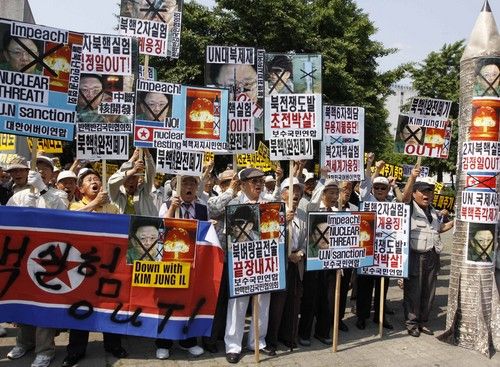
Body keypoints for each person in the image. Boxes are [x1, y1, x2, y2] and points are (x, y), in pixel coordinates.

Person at [5, 157, 66, 367]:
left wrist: (42, 191)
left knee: (43, 303)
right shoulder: (19, 196)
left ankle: (45, 350)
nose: (38, 172)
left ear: (50, 174)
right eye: (36, 169)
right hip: (22, 257)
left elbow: (63, 215)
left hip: (47, 258)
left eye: (43, 169)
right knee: (23, 301)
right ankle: (24, 342)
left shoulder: (59, 194)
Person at [62, 169, 127, 367]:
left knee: (110, 305)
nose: (94, 181)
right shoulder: (75, 205)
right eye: (89, 180)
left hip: (108, 265)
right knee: (81, 307)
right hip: (82, 267)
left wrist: (103, 206)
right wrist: (94, 205)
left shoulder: (112, 207)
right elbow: (70, 221)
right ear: (81, 189)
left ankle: (113, 344)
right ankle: (76, 350)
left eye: (97, 179)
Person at [156, 174, 207, 359]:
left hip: (193, 263)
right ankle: (164, 343)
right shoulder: (166, 205)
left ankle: (188, 341)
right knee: (168, 302)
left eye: (192, 183)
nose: (189, 186)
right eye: (184, 182)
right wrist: (173, 209)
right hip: (171, 262)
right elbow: (161, 229)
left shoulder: (202, 208)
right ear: (176, 187)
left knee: (190, 302)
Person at [224, 168, 271, 364]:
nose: (258, 184)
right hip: (241, 262)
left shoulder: (269, 204)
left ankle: (257, 341)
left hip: (264, 260)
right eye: (253, 181)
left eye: (260, 180)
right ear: (242, 184)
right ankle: (233, 346)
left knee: (262, 303)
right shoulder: (234, 204)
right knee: (238, 304)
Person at [401, 172, 454, 337]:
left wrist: (455, 222)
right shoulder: (409, 207)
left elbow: (439, 229)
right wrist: (411, 178)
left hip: (432, 255)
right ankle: (412, 323)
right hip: (416, 256)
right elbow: (403, 198)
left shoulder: (432, 211)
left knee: (429, 291)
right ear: (415, 193)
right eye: (423, 191)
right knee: (413, 292)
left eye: (430, 191)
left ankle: (423, 321)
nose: (427, 195)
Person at [266, 177, 306, 353]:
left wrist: (300, 253)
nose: (296, 193)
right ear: (283, 194)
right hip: (279, 264)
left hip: (296, 263)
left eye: (298, 190)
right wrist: (283, 221)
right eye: (292, 189)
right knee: (277, 304)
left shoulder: (303, 215)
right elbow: (269, 238)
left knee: (294, 301)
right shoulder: (273, 211)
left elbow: (306, 239)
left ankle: (289, 336)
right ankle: (271, 340)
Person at [108, 148, 158, 217]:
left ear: (138, 179)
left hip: (141, 226)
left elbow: (151, 173)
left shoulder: (144, 191)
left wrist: (146, 152)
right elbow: (112, 181)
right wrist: (133, 166)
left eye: (134, 177)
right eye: (128, 178)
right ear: (122, 180)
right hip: (120, 226)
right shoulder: (116, 194)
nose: (131, 181)